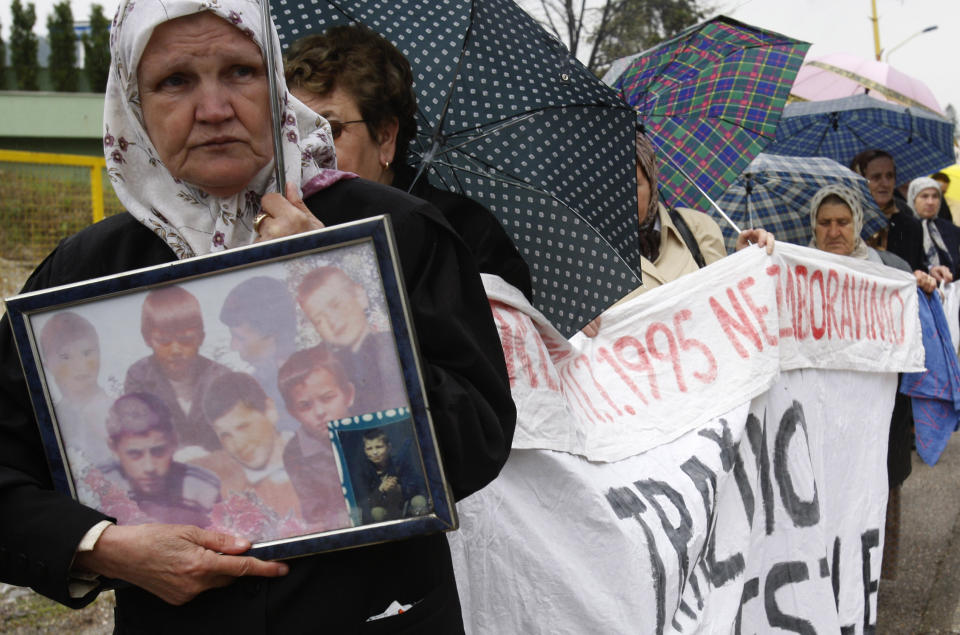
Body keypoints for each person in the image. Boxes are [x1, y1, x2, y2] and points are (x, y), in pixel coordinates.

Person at [0, 1, 515, 630]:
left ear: (274, 80)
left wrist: (335, 280)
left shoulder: (397, 233)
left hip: (379, 609)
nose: (214, 109)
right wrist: (104, 546)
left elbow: (480, 436)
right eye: (175, 81)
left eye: (240, 72)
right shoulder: (87, 277)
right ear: (132, 105)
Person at [284, 24, 534, 301]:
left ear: (385, 137)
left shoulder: (463, 234)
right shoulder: (274, 225)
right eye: (294, 132)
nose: (307, 149)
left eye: (331, 130)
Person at [809, 183, 933, 582]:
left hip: (882, 414)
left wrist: (927, 287)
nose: (834, 231)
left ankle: (869, 584)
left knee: (876, 491)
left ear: (857, 222)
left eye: (843, 222)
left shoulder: (890, 269)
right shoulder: (801, 270)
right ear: (813, 226)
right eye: (824, 223)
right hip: (823, 414)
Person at [582, 132, 773, 335]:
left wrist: (746, 262)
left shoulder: (695, 228)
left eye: (634, 183)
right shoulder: (584, 258)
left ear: (652, 183)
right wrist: (574, 327)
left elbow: (730, 303)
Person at [124, 285, 230, 453]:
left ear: (201, 338)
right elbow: (140, 435)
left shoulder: (221, 378)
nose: (175, 350)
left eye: (186, 340)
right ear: (147, 339)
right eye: (164, 341)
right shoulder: (139, 377)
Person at [296, 265, 407, 414]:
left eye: (336, 305)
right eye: (319, 320)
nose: (332, 321)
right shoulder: (326, 371)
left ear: (360, 296)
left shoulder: (399, 345)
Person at [100, 392, 221, 527]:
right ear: (113, 447)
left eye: (158, 451)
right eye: (134, 454)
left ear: (174, 441)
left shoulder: (203, 488)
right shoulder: (98, 485)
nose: (149, 467)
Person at [195, 371, 300, 526]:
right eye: (225, 435)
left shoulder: (319, 455)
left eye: (244, 427)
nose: (238, 445)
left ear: (270, 411)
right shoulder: (220, 477)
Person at [276, 346, 354, 530]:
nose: (319, 412)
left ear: (348, 395)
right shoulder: (295, 454)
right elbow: (316, 515)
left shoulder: (373, 428)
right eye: (305, 406)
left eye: (327, 398)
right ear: (293, 413)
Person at [849, 149, 952, 285]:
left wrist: (930, 272)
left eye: (890, 176)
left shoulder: (910, 224)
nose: (885, 183)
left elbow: (915, 268)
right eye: (876, 177)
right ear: (860, 179)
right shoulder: (847, 221)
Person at [218, 276, 300, 433]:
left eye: (240, 338)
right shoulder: (255, 386)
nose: (233, 346)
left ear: (271, 335)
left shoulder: (310, 385)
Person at [39, 311, 114, 467]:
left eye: (87, 353)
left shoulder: (119, 412)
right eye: (65, 357)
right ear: (47, 365)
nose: (80, 365)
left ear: (99, 353)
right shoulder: (48, 421)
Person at [356, 426, 428, 523]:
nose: (375, 452)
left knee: (419, 501)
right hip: (384, 510)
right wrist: (380, 490)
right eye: (369, 448)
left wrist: (400, 488)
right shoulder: (364, 471)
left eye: (379, 447)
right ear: (365, 451)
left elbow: (418, 486)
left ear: (388, 447)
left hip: (405, 507)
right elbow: (363, 501)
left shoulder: (400, 463)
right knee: (376, 512)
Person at [907, 176, 960, 280]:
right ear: (913, 199)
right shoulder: (905, 229)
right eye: (924, 196)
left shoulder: (951, 229)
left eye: (935, 196)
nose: (930, 202)